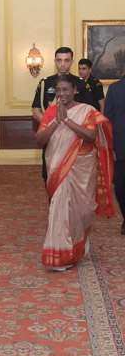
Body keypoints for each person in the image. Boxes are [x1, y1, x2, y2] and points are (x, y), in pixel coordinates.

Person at [35, 74, 115, 271]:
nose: (62, 94)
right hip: (57, 168)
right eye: (58, 90)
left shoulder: (86, 110)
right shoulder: (51, 112)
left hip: (81, 168)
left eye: (66, 89)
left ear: (74, 90)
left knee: (81, 211)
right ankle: (60, 255)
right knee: (59, 209)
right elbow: (40, 140)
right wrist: (56, 121)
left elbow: (91, 135)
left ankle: (78, 242)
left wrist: (68, 121)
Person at [32, 47, 98, 181]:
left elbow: (89, 112)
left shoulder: (80, 84)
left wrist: (68, 123)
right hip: (51, 136)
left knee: (76, 180)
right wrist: (50, 123)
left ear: (72, 62)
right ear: (54, 61)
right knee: (51, 176)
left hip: (75, 138)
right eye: (59, 60)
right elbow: (36, 111)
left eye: (66, 60)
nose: (62, 64)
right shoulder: (45, 83)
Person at [104, 75, 125, 233]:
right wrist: (110, 147)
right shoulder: (115, 89)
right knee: (120, 186)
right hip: (120, 147)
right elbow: (108, 121)